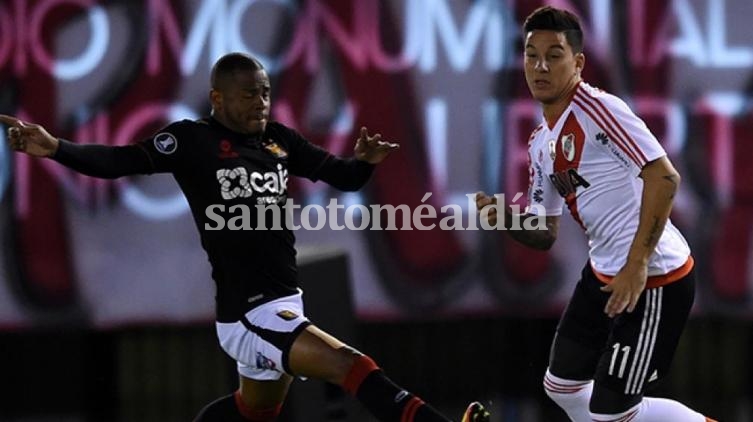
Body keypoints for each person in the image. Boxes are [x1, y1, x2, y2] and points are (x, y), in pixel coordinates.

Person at [2, 52, 490, 422]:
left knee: (253, 412)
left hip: (284, 303)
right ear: (218, 98)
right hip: (248, 312)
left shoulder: (280, 141)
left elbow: (342, 177)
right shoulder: (192, 140)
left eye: (265, 91)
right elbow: (118, 162)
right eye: (249, 93)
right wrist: (55, 148)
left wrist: (365, 163)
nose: (261, 101)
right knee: (350, 364)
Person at [475, 6, 716, 422]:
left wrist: (637, 264)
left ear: (578, 62)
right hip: (603, 276)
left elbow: (665, 178)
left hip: (654, 279)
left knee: (611, 412)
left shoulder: (599, 110)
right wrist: (504, 220)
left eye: (554, 55)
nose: (540, 66)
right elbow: (544, 232)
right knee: (562, 387)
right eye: (532, 55)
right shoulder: (540, 142)